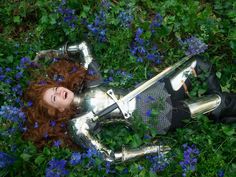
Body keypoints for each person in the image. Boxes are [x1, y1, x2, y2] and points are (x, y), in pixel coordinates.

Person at [22, 41, 236, 163]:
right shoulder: (79, 124)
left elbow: (83, 47)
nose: (60, 93)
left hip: (155, 90)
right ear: (55, 111)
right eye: (54, 98)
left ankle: (218, 113)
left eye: (57, 89)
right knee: (221, 100)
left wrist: (48, 53)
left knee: (198, 62)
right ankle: (219, 108)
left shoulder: (92, 84)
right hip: (153, 116)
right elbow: (108, 156)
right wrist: (149, 150)